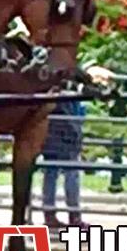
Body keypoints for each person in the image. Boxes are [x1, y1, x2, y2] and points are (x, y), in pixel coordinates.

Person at [41, 98, 88, 230]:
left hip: (51, 135)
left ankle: (49, 213)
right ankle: (74, 215)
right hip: (66, 135)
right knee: (71, 174)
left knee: (51, 174)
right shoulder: (68, 96)